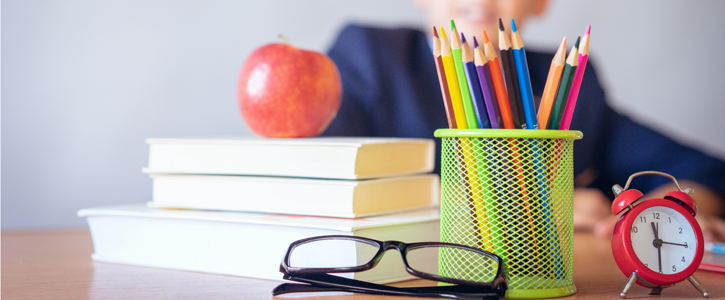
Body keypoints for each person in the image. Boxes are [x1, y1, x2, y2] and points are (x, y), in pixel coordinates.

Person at [321, 0, 725, 241]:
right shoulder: (368, 55)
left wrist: (662, 215)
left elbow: (702, 171)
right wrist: (533, 209)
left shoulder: (567, 84)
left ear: (540, 3)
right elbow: (324, 181)